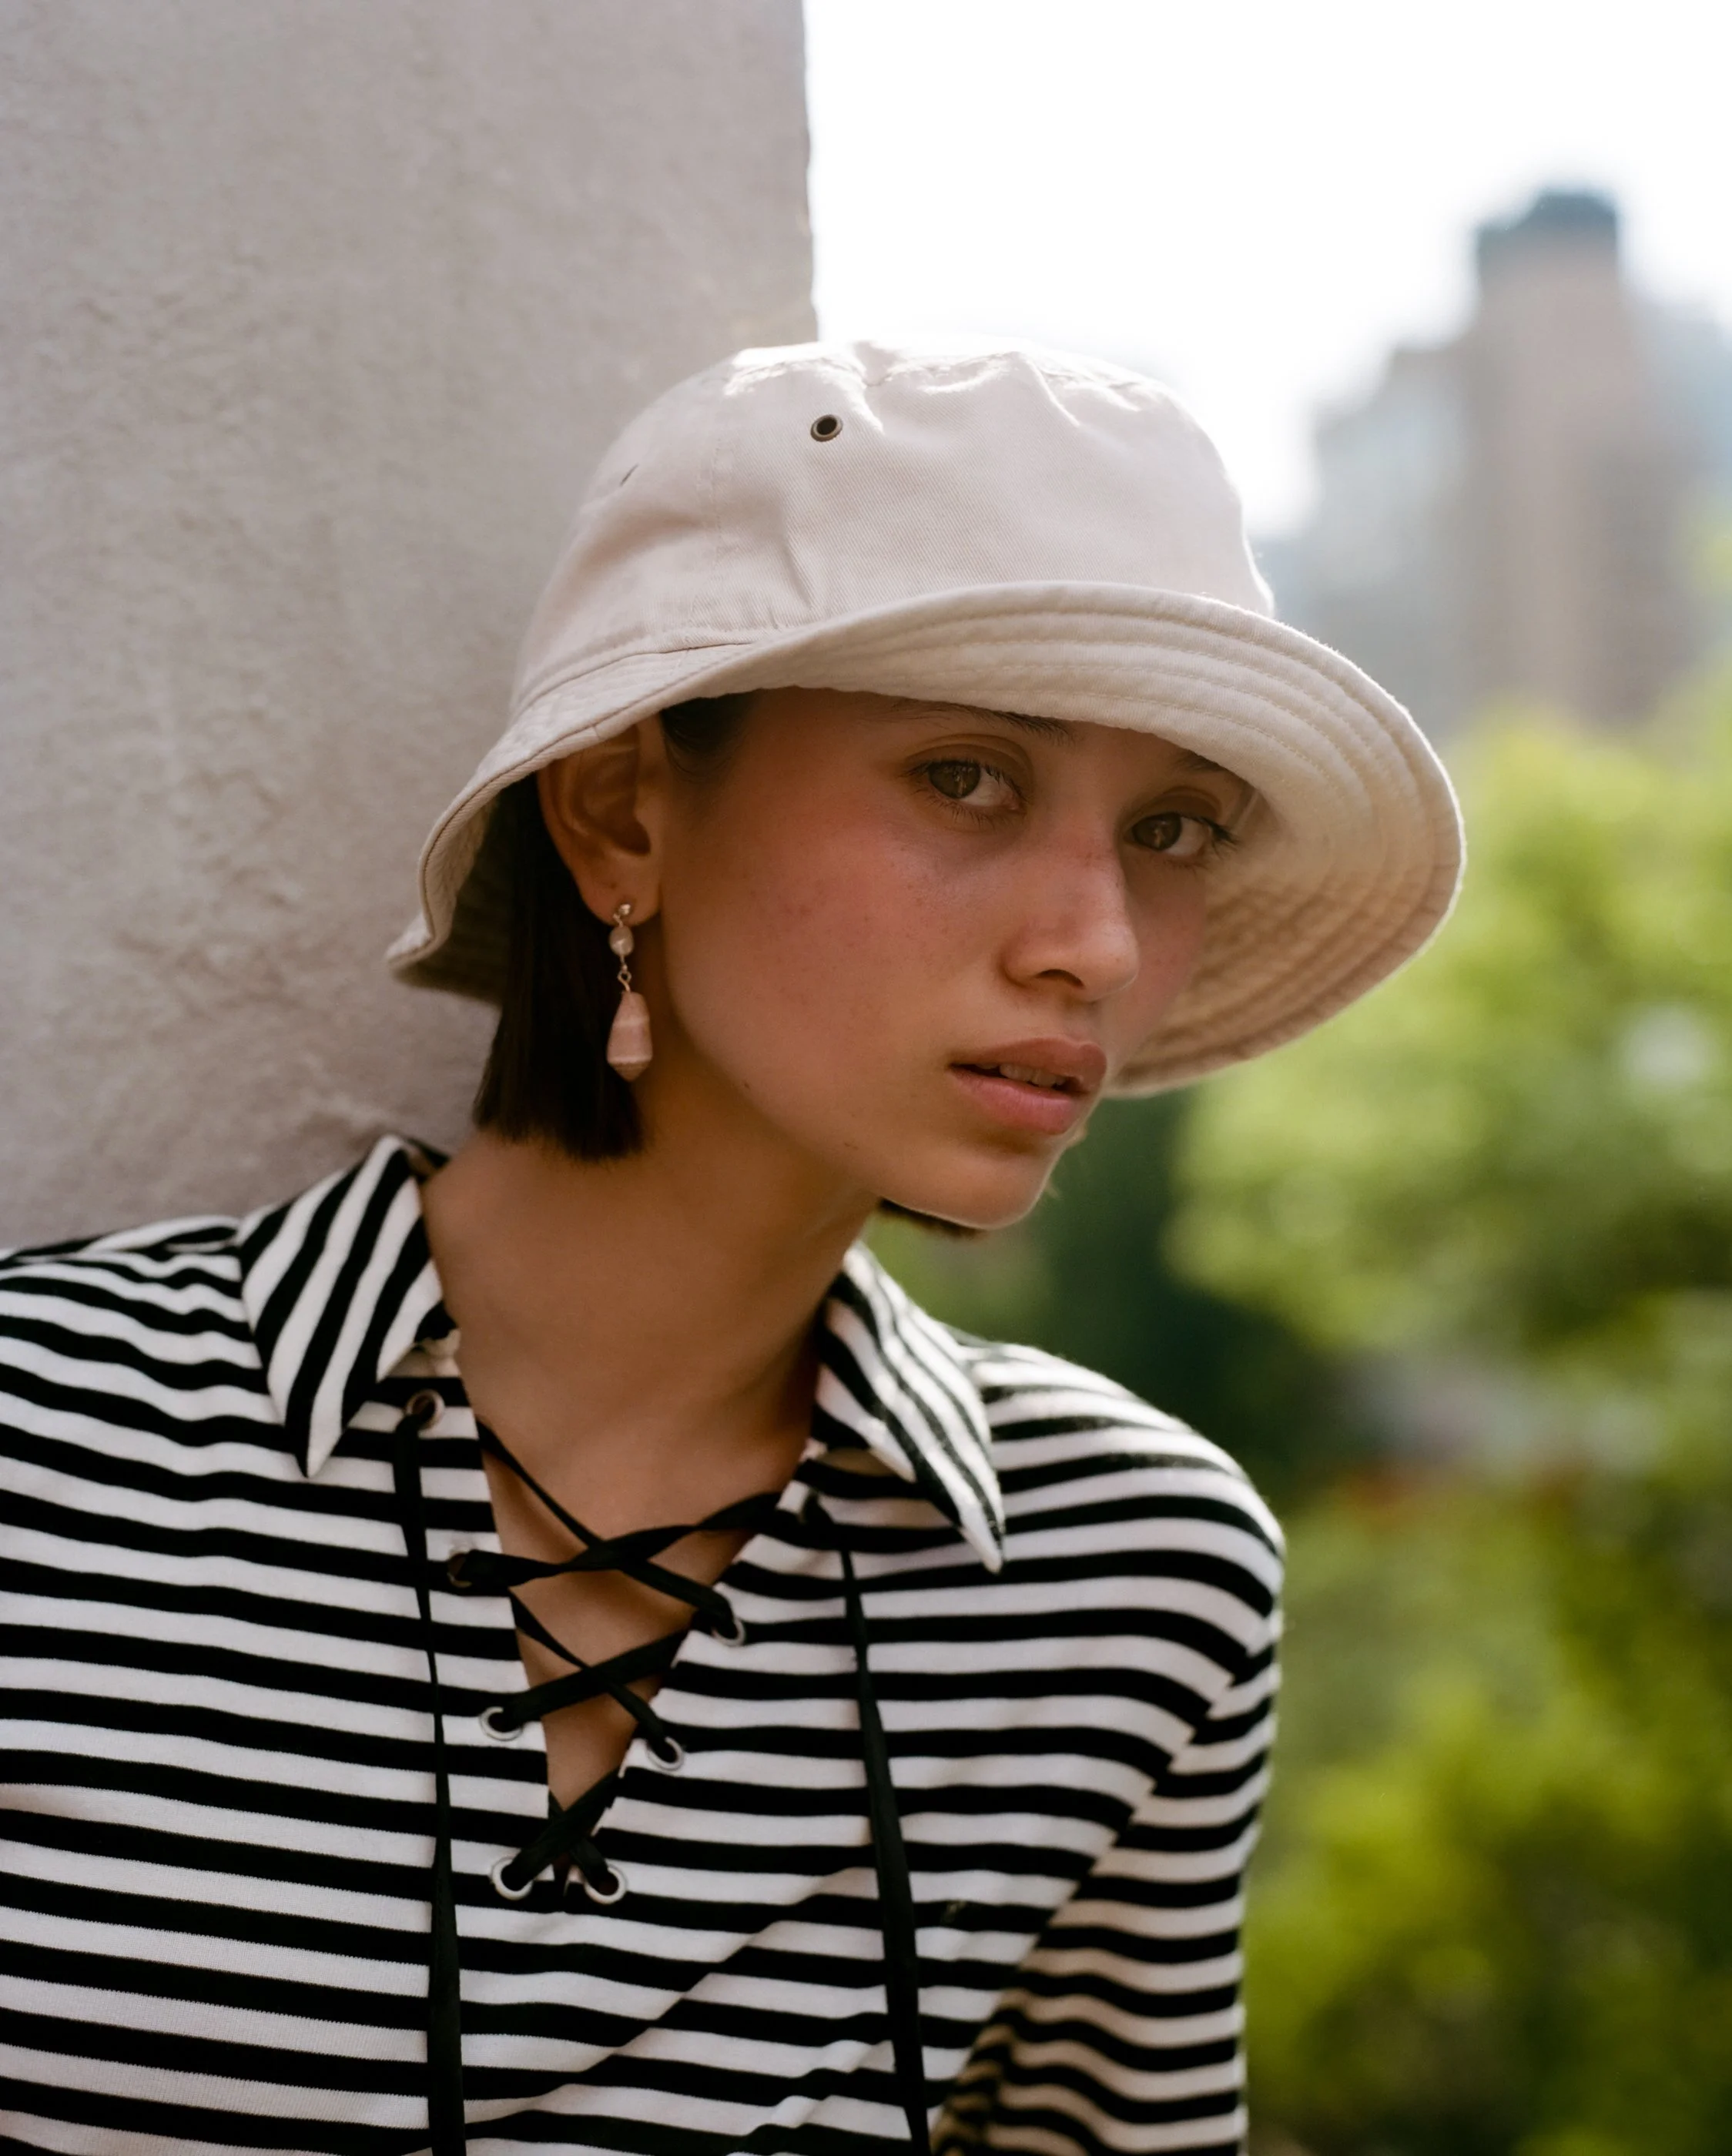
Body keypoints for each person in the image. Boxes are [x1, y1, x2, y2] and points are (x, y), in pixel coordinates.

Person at [0, 340, 1462, 2156]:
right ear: (624, 812)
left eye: (1166, 828)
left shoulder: (1124, 1578)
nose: (1093, 939)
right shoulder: (48, 1443)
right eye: (969, 779)